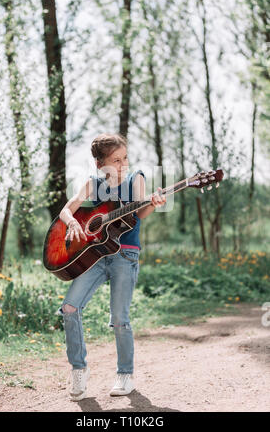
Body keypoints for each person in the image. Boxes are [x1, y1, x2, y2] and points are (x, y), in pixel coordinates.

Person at [58, 133, 166, 401]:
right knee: (69, 307)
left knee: (120, 318)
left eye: (124, 158)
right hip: (94, 256)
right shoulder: (93, 184)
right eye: (115, 160)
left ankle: (125, 375)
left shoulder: (135, 178)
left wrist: (152, 204)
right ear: (99, 164)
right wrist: (72, 222)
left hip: (124, 254)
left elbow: (138, 214)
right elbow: (66, 210)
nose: (122, 164)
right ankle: (79, 370)